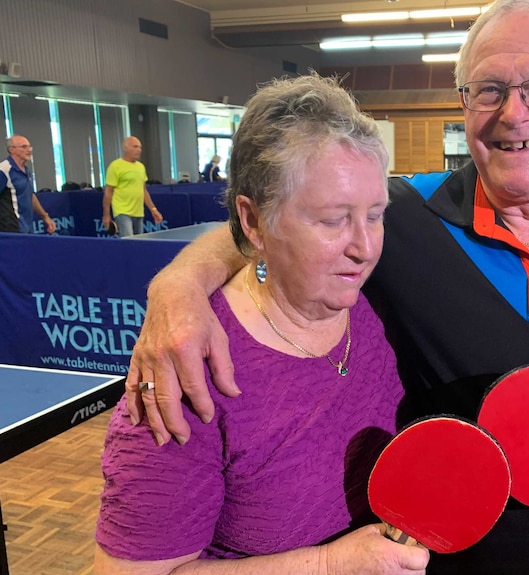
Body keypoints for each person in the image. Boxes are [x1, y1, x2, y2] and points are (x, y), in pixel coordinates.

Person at [127, 0, 529, 573]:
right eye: (488, 89)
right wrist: (177, 287)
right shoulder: (399, 216)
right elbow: (270, 225)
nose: (513, 113)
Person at [94, 74, 429, 575]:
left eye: (376, 215)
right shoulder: (190, 372)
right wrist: (327, 566)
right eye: (333, 219)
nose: (365, 247)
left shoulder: (365, 296)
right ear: (253, 221)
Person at [102, 137, 163, 237]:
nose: (139, 150)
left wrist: (153, 210)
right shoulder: (115, 166)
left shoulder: (141, 167)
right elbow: (108, 191)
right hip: (122, 211)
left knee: (138, 243)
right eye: (135, 147)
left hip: (138, 211)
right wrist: (106, 215)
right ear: (125, 148)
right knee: (129, 241)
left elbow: (143, 190)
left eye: (140, 147)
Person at [0, 135, 56, 234]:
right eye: (24, 147)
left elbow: (30, 195)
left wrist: (45, 216)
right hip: (11, 229)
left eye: (29, 147)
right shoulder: (4, 170)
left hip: (27, 227)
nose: (29, 150)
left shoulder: (26, 171)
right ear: (12, 150)